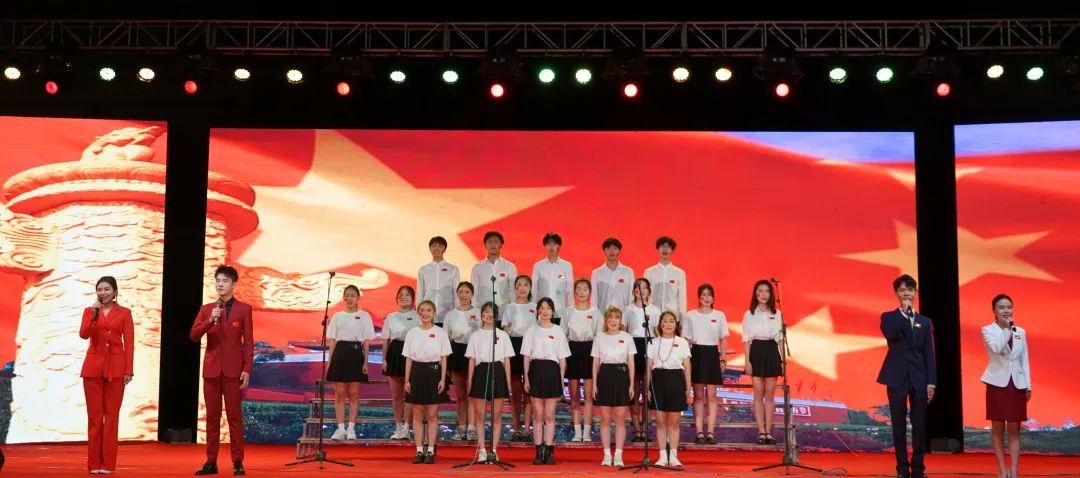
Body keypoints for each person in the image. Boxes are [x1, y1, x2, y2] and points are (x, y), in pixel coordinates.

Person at [191, 265, 254, 476]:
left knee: (234, 417)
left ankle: (237, 461)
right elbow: (193, 335)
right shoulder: (207, 309)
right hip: (211, 370)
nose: (220, 284)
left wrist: (247, 369)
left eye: (225, 281)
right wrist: (210, 320)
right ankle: (211, 461)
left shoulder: (244, 309)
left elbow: (248, 342)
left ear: (234, 284)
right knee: (212, 418)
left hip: (233, 371)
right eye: (218, 280)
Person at [877, 274, 936, 478]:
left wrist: (931, 382)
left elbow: (929, 353)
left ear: (915, 292)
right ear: (896, 293)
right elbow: (890, 334)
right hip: (896, 377)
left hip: (919, 378)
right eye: (902, 290)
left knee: (919, 424)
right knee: (899, 425)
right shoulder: (889, 317)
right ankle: (902, 468)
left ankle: (918, 468)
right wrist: (903, 313)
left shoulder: (925, 322)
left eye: (910, 290)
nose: (907, 294)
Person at [80, 276, 134, 475]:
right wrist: (94, 315)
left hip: (116, 368)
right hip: (93, 368)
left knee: (111, 417)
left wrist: (128, 370)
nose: (103, 293)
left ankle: (108, 464)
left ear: (115, 292)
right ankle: (94, 463)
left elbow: (129, 343)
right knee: (95, 418)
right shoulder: (89, 311)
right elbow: (84, 334)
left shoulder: (125, 313)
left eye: (106, 289)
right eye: (100, 289)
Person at [981, 294, 1031, 478]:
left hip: (1016, 383)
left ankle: (1014, 470)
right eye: (1001, 307)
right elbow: (997, 348)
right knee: (997, 427)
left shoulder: (1021, 331)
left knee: (1015, 428)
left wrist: (1028, 385)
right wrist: (1008, 330)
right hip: (997, 383)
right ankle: (1002, 469)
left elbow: (1024, 359)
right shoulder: (987, 330)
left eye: (1009, 307)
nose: (1006, 310)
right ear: (994, 310)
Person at [522, 297, 571, 465]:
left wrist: (561, 379)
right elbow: (526, 356)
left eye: (548, 308)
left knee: (549, 414)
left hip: (552, 371)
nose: (545, 311)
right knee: (538, 414)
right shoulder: (531, 330)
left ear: (552, 311)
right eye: (542, 308)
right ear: (538, 311)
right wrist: (526, 377)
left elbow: (563, 359)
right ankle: (538, 451)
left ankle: (549, 450)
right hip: (536, 370)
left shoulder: (558, 331)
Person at [403, 300, 452, 464]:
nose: (425, 313)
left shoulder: (440, 332)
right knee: (417, 413)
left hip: (434, 372)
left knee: (432, 413)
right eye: (422, 310)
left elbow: (444, 358)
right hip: (416, 372)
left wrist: (443, 379)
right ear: (418, 313)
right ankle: (419, 450)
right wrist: (407, 380)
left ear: (434, 313)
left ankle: (430, 450)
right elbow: (408, 359)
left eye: (429, 310)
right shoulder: (412, 333)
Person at [466, 302, 515, 463]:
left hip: (498, 371)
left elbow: (506, 360)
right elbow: (472, 360)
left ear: (496, 316)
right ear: (481, 315)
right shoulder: (475, 335)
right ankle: (481, 450)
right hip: (481, 371)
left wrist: (508, 381)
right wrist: (470, 380)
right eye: (486, 312)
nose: (488, 315)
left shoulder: (502, 335)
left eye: (492, 312)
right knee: (480, 414)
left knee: (497, 414)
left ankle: (493, 450)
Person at [326, 285, 375, 441]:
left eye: (352, 295)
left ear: (358, 298)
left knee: (354, 393)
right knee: (339, 393)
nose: (349, 298)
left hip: (356, 354)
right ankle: (340, 428)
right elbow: (332, 341)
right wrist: (330, 361)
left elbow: (366, 341)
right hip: (339, 354)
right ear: (343, 298)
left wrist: (365, 362)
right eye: (346, 295)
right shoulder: (337, 316)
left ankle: (351, 428)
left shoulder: (364, 316)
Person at [592, 306, 636, 467]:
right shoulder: (599, 338)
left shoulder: (627, 337)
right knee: (605, 418)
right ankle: (606, 455)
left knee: (620, 418)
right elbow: (595, 363)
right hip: (604, 375)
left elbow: (631, 363)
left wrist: (631, 385)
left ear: (620, 320)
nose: (613, 320)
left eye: (616, 317)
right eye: (610, 317)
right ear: (606, 320)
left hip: (621, 376)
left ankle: (618, 455)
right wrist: (595, 384)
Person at [646, 311, 692, 467]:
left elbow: (687, 366)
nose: (668, 324)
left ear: (676, 325)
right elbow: (649, 367)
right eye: (665, 321)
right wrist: (647, 388)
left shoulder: (682, 342)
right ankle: (662, 456)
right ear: (660, 324)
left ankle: (673, 455)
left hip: (676, 380)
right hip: (658, 380)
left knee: (674, 421)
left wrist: (688, 387)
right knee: (660, 421)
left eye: (671, 321)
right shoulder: (653, 343)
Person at [562, 278, 602, 442]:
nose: (582, 292)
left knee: (589, 395)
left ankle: (587, 432)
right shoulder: (568, 312)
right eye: (578, 289)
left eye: (585, 289)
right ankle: (577, 432)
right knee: (574, 395)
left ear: (590, 293)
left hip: (589, 351)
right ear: (574, 292)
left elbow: (599, 336)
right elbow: (563, 335)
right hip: (572, 350)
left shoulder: (596, 312)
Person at [622, 278, 661, 443]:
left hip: (649, 346)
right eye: (638, 287)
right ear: (633, 291)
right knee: (634, 391)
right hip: (632, 347)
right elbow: (624, 332)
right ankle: (636, 429)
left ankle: (645, 428)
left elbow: (658, 333)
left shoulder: (655, 310)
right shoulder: (627, 310)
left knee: (647, 391)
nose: (641, 290)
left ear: (648, 291)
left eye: (644, 287)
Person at [741, 281, 779, 445]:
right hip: (756, 350)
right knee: (758, 394)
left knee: (770, 394)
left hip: (772, 350)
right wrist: (747, 361)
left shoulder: (777, 313)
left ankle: (769, 432)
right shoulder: (749, 314)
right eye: (760, 291)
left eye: (767, 291)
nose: (763, 294)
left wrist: (782, 360)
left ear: (771, 294)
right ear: (755, 294)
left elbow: (780, 338)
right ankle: (761, 431)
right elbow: (746, 339)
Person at [501, 275, 537, 441]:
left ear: (530, 288)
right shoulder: (509, 308)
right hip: (513, 346)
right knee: (516, 391)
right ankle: (516, 428)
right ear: (515, 288)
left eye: (525, 285)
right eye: (519, 285)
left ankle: (527, 429)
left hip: (530, 346)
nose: (522, 288)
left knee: (529, 389)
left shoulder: (535, 307)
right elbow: (505, 332)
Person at [382, 285, 421, 440]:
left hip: (412, 353)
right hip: (395, 354)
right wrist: (384, 360)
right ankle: (398, 428)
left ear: (413, 299)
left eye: (407, 295)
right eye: (401, 295)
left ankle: (407, 428)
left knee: (410, 394)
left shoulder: (418, 316)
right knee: (396, 395)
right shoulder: (391, 317)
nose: (403, 297)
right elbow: (386, 340)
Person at [444, 282, 481, 441]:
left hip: (474, 353)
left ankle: (472, 428)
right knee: (460, 395)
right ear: (457, 294)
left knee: (473, 394)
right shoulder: (450, 315)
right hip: (457, 353)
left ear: (472, 294)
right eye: (461, 292)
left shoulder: (478, 312)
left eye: (467, 292)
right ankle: (461, 427)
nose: (464, 295)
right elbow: (445, 339)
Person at [531, 232, 573, 325]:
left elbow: (570, 290)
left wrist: (571, 311)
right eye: (548, 244)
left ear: (559, 246)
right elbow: (534, 290)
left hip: (560, 311)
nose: (551, 247)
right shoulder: (538, 266)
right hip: (543, 312)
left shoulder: (566, 266)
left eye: (554, 244)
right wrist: (533, 310)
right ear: (545, 246)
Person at [418, 236, 460, 326]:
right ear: (430, 249)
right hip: (427, 316)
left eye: (440, 246)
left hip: (447, 314)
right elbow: (420, 293)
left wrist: (457, 313)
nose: (437, 249)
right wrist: (419, 314)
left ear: (445, 249)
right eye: (434, 246)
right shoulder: (423, 270)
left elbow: (456, 293)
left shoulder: (453, 269)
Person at [470, 231, 517, 308]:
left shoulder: (509, 266)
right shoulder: (477, 268)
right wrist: (473, 310)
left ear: (501, 245)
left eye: (496, 242)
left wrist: (513, 309)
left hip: (504, 310)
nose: (493, 244)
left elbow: (513, 291)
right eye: (490, 242)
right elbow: (474, 291)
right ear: (485, 245)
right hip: (483, 310)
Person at [644, 236, 686, 319]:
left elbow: (682, 298)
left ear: (672, 250)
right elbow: (644, 295)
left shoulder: (679, 273)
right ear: (658, 249)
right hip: (653, 315)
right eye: (662, 246)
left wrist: (683, 319)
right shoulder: (649, 272)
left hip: (672, 317)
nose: (665, 249)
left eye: (668, 247)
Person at [590, 237, 634, 312]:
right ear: (604, 251)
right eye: (608, 248)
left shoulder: (628, 272)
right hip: (603, 315)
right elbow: (594, 297)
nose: (611, 251)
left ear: (619, 251)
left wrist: (629, 315)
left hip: (623, 315)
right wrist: (595, 315)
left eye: (615, 248)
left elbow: (631, 296)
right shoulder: (596, 273)